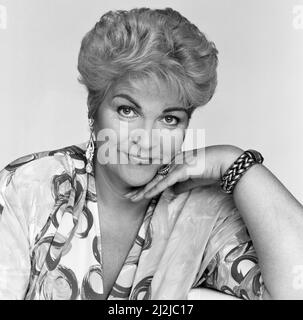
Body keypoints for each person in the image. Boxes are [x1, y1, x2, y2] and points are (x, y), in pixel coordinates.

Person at [1, 7, 303, 300]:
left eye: (169, 118)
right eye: (127, 110)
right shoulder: (30, 187)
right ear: (94, 111)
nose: (146, 142)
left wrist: (237, 163)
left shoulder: (202, 213)